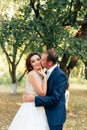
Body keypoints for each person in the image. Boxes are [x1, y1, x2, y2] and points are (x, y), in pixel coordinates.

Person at [23, 49, 68, 130]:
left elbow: (54, 99)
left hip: (55, 118)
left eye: (42, 60)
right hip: (42, 114)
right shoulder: (44, 73)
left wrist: (34, 98)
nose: (40, 61)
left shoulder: (60, 75)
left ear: (50, 63)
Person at [8, 52, 49, 130]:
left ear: (41, 60)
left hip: (39, 106)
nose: (36, 62)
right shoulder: (33, 74)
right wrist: (45, 77)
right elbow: (42, 93)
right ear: (31, 65)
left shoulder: (41, 73)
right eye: (33, 61)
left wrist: (43, 76)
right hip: (32, 108)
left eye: (38, 59)